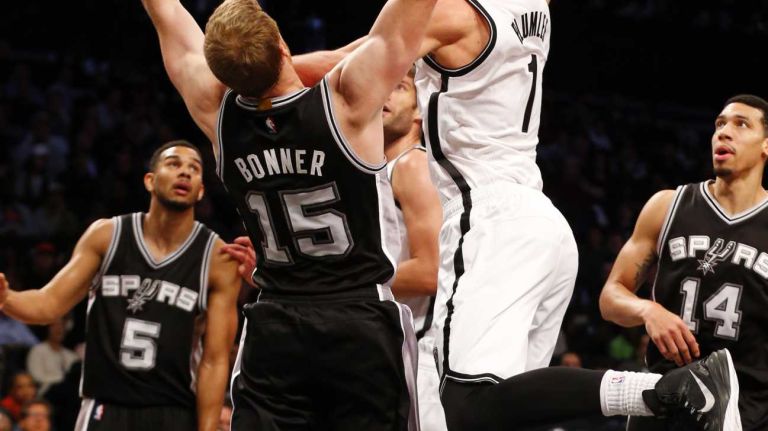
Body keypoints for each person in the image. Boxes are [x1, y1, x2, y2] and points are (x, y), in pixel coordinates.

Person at [293, 0, 741, 429]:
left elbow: (349, 66)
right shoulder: (532, 8)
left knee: (463, 406)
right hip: (540, 223)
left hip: (489, 220)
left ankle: (670, 390)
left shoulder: (453, 16)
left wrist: (264, 72)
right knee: (502, 413)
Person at [140, 0, 436, 428]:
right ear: (282, 46)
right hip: (358, 318)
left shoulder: (217, 114)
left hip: (275, 322)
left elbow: (165, 12)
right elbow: (400, 27)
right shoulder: (346, 98)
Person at [223, 68, 446, 429]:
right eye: (384, 85)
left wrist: (322, 277)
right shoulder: (360, 167)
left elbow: (429, 271)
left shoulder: (412, 165)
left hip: (408, 347)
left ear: (420, 110)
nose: (385, 95)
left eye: (400, 87)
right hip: (352, 342)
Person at [0, 141, 241, 431]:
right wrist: (6, 297)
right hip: (105, 405)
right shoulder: (107, 236)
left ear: (201, 190)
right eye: (174, 164)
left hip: (175, 410)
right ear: (150, 180)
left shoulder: (216, 257)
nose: (185, 173)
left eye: (194, 168)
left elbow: (214, 361)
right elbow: (48, 304)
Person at [600, 95, 768, 430]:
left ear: (766, 146)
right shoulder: (668, 206)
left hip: (745, 413)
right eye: (719, 124)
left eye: (740, 124)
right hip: (665, 402)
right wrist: (649, 311)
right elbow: (610, 297)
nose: (724, 132)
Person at [26, 317, 78, 395]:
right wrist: (60, 380)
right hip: (46, 392)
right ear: (48, 328)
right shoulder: (38, 351)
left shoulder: (71, 355)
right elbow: (36, 377)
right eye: (54, 325)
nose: (59, 329)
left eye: (62, 325)